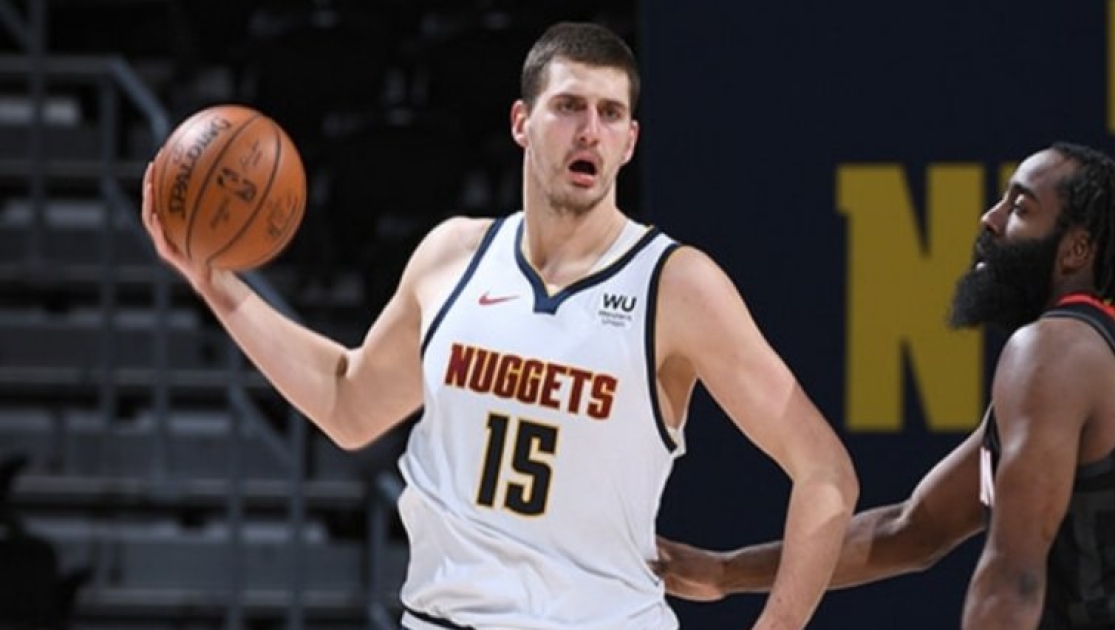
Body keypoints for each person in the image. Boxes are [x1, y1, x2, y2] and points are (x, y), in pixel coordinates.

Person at [140, 21, 859, 630]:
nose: (591, 130)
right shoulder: (452, 256)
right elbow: (347, 402)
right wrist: (217, 287)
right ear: (521, 122)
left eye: (611, 114)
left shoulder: (675, 285)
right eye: (569, 106)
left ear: (631, 141)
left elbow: (825, 472)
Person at [655, 142, 1115, 629]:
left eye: (1020, 208)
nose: (990, 219)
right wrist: (724, 572)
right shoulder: (1076, 355)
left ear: (1075, 250)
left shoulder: (1054, 348)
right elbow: (912, 530)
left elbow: (1013, 577)